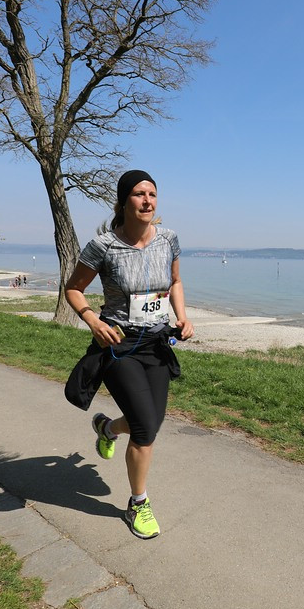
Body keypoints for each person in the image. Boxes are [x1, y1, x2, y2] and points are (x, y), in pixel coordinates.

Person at [63, 169, 194, 539]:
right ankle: (138, 503)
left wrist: (182, 317)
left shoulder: (168, 239)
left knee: (150, 423)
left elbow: (177, 282)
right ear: (123, 202)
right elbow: (73, 289)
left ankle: (106, 427)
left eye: (153, 194)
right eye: (139, 194)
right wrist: (92, 320)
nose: (148, 201)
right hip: (118, 345)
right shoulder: (103, 246)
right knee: (144, 429)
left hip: (156, 344)